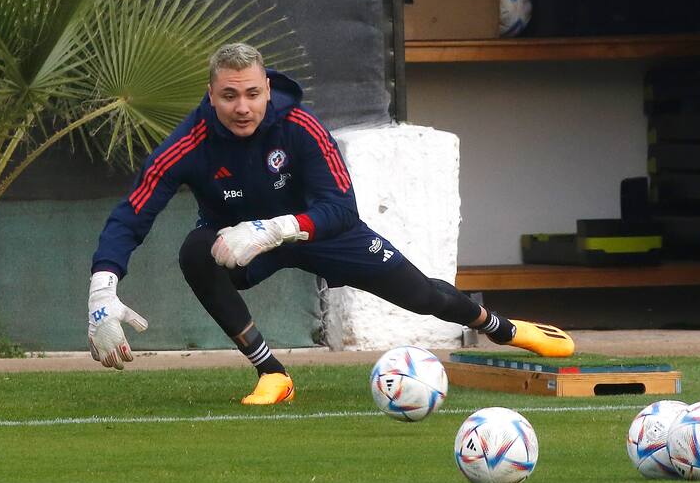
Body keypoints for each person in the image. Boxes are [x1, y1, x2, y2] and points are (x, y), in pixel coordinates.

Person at [87, 43, 574, 405]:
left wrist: (272, 228)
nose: (242, 107)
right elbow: (133, 212)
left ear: (267, 89)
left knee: (423, 296)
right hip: (241, 246)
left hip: (320, 233)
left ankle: (502, 328)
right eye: (229, 95)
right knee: (196, 252)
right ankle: (272, 374)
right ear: (210, 96)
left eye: (253, 94)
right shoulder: (188, 142)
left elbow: (342, 209)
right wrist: (102, 290)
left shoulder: (300, 125)